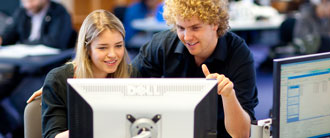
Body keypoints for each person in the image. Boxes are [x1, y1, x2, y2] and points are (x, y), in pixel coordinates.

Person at [131, 0, 258, 137]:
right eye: (181, 28)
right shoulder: (162, 45)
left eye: (195, 28)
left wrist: (229, 96)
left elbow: (242, 134)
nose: (187, 37)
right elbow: (126, 86)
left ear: (215, 23)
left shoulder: (238, 55)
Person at [40, 9, 139, 138]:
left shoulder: (131, 75)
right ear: (87, 49)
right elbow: (52, 136)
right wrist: (95, 127)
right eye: (102, 48)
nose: (113, 54)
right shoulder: (59, 80)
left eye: (118, 46)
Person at [0, 0, 74, 50]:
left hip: (52, 65)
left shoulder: (59, 12)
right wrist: (2, 39)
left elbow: (55, 42)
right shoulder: (21, 12)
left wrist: (24, 44)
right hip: (26, 64)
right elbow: (9, 35)